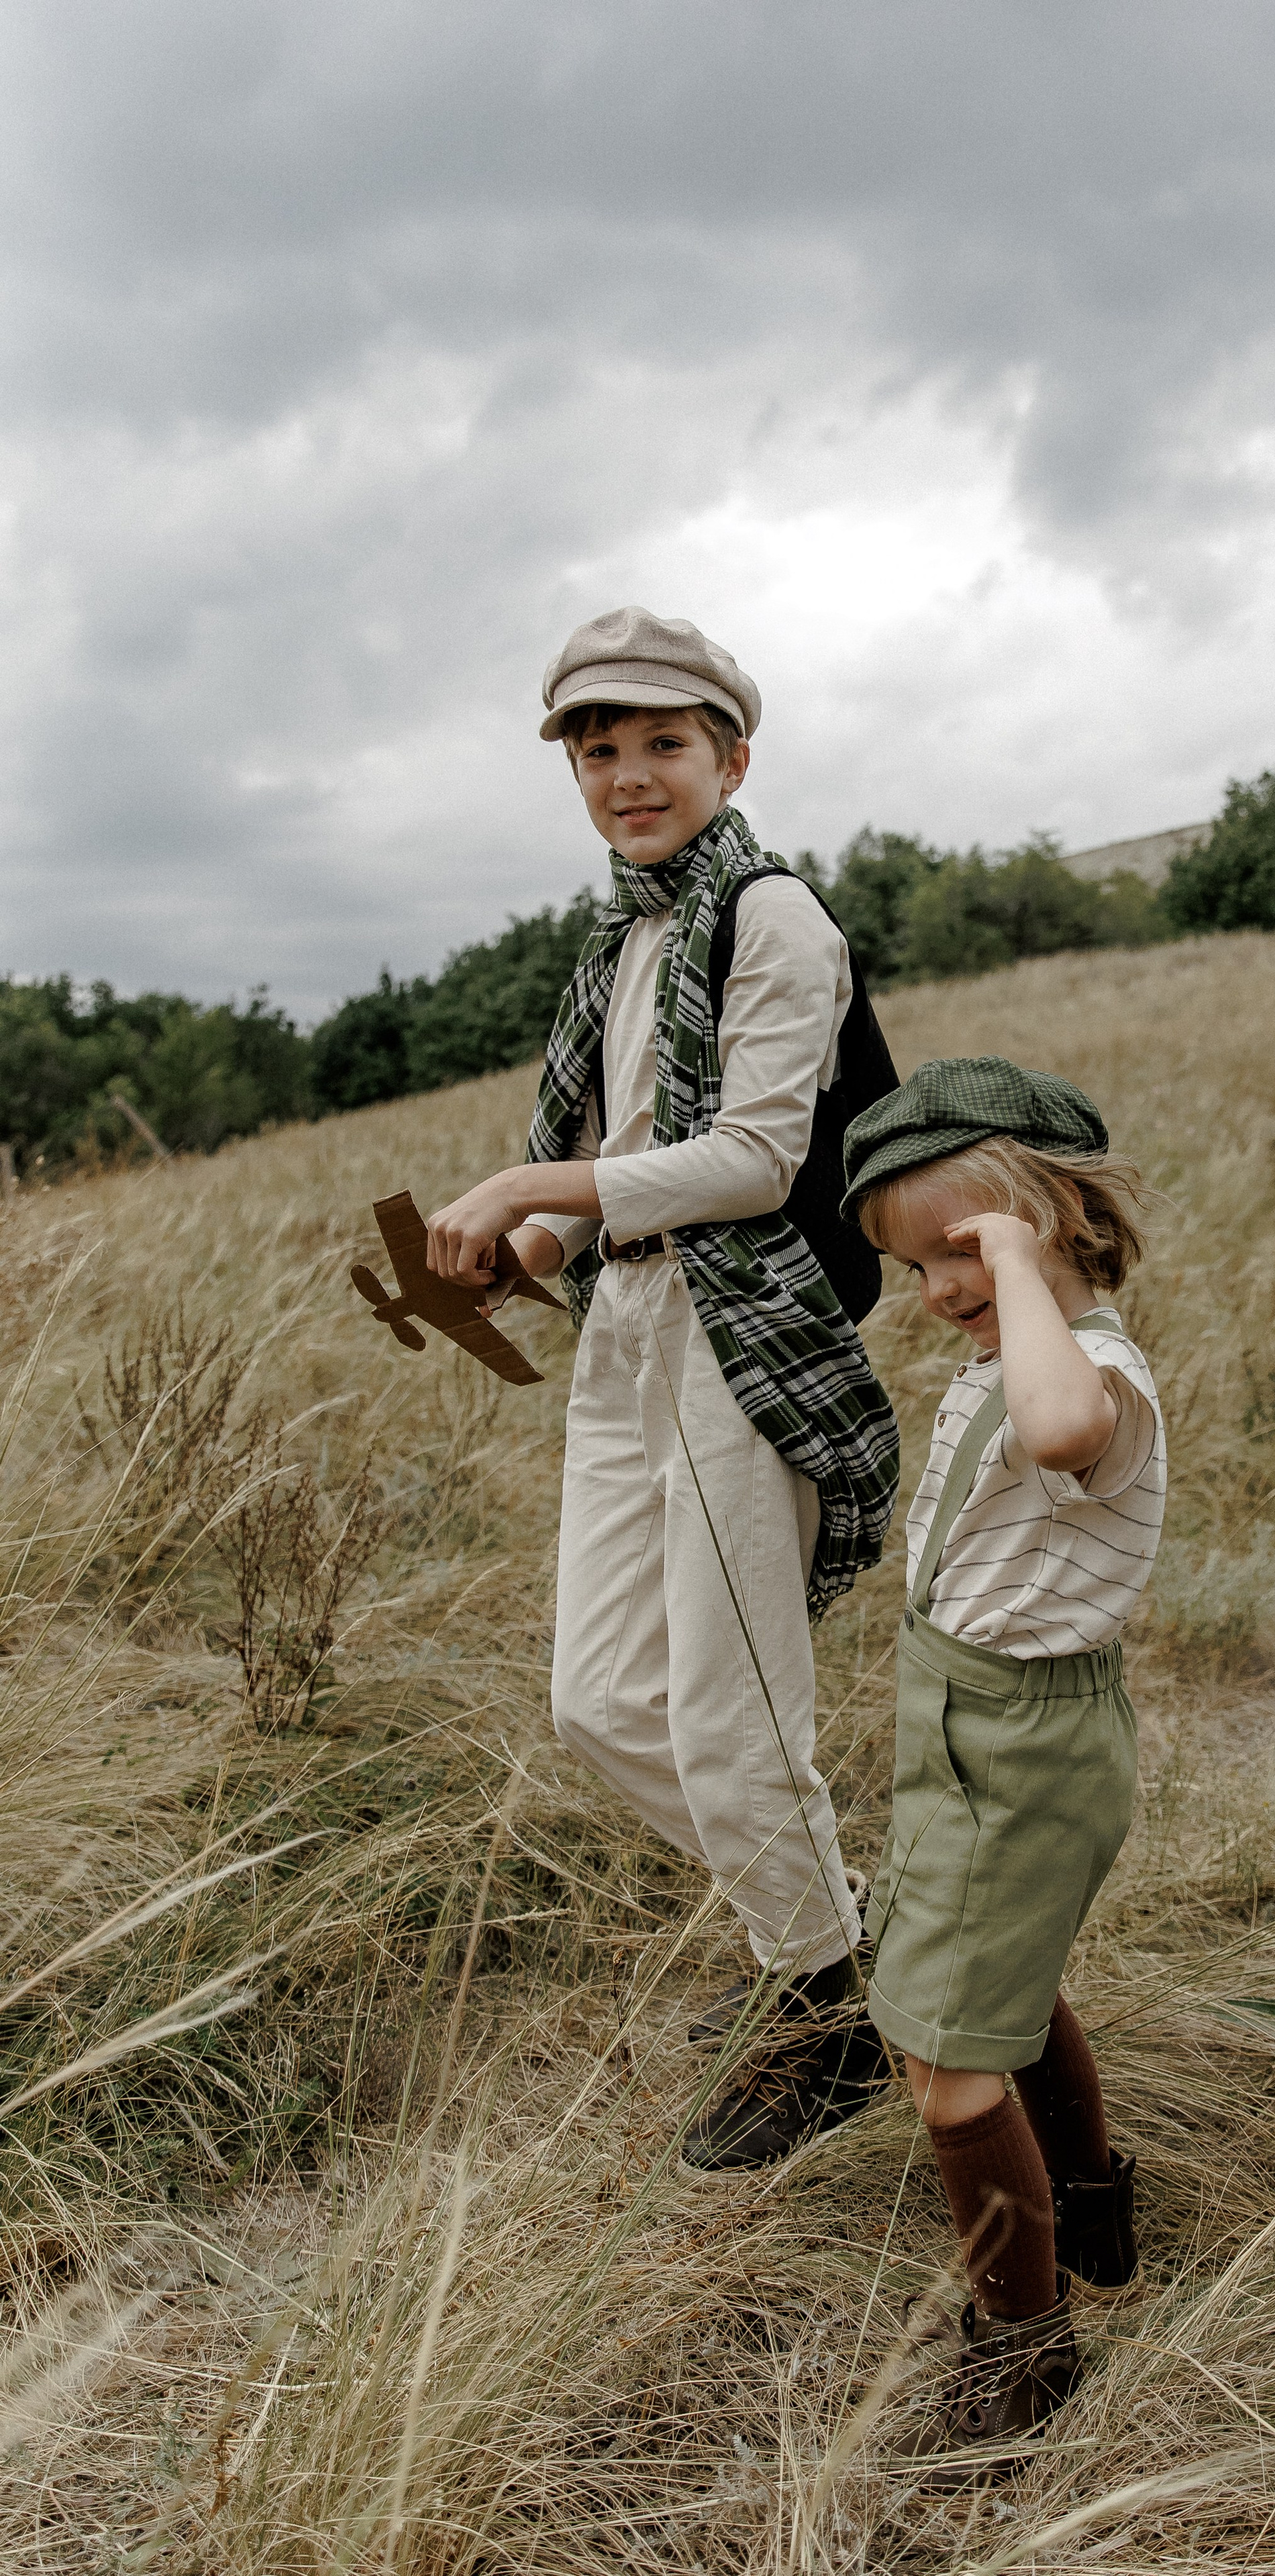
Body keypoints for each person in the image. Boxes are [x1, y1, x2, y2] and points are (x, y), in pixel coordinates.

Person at [425, 606, 899, 2169]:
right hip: (628, 1325)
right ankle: (831, 1949)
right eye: (598, 748)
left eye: (661, 744)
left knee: (726, 1710)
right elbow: (636, 1159)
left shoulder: (772, 919)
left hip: (739, 1334)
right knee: (598, 1701)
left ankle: (830, 2018)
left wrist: (520, 1181)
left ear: (730, 755)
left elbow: (758, 1163)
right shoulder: (623, 939)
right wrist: (537, 1237)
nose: (629, 775)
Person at [839, 1056, 1165, 2469]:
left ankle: (1022, 2343)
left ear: (1054, 1219)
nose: (943, 1291)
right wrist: (1003, 1283)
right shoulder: (999, 1358)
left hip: (1027, 1738)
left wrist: (1023, 1271)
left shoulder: (1088, 1374)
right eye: (919, 1267)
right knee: (998, 1998)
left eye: (963, 1251)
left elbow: (1058, 1429)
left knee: (945, 2065)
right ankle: (1087, 2210)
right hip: (963, 1721)